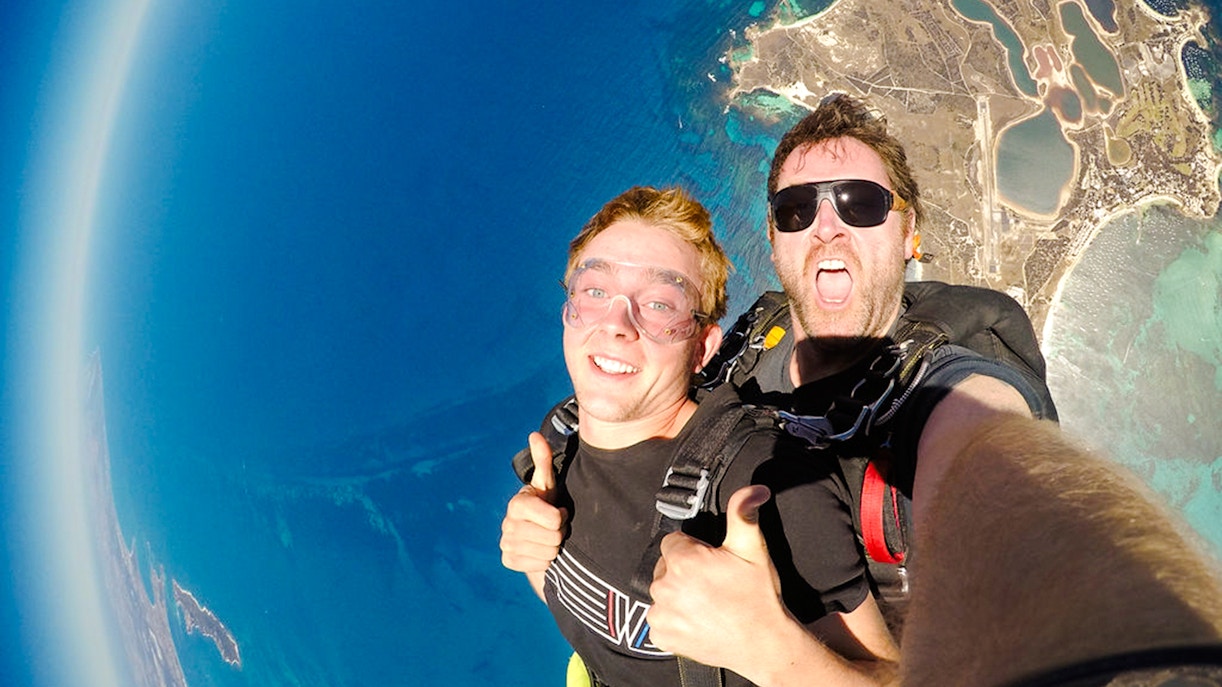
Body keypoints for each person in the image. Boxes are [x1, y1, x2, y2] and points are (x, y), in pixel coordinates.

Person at [644, 93, 1222, 685]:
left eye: (861, 204)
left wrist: (766, 650)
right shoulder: (755, 336)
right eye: (796, 209)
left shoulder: (950, 380)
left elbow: (991, 462)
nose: (826, 227)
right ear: (774, 241)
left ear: (908, 234)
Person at [498, 185, 900, 686]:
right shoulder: (561, 439)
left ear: (703, 347)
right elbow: (608, 613)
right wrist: (538, 560)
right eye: (595, 291)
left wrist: (767, 647)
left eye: (661, 304)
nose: (617, 323)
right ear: (568, 310)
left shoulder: (766, 483)